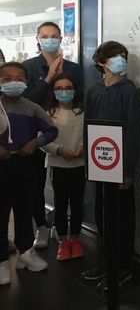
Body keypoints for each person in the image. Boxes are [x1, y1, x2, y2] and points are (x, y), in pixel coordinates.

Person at [81, 41, 140, 291]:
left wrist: (127, 170)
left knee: (122, 217)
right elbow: (88, 128)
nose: (121, 60)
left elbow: (133, 132)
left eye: (124, 56)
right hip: (100, 165)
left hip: (121, 167)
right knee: (102, 214)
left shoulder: (129, 91)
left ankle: (122, 267)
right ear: (101, 62)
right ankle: (105, 262)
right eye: (116, 56)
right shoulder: (95, 91)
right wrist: (90, 166)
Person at [22, 21, 83, 250]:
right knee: (36, 185)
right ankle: (41, 227)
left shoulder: (73, 68)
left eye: (54, 35)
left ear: (61, 38)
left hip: (68, 133)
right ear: (37, 39)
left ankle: (62, 227)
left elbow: (79, 98)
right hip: (35, 136)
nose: (50, 39)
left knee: (67, 188)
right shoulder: (27, 68)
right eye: (45, 36)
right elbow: (26, 102)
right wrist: (48, 78)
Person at [0, 62, 58, 285]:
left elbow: (52, 131)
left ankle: (25, 253)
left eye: (18, 78)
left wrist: (35, 143)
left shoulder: (32, 107)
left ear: (26, 82)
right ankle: (2, 261)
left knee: (25, 209)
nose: (13, 83)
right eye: (7, 79)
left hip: (24, 165)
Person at [40, 73, 85, 261]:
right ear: (53, 91)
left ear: (75, 90)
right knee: (60, 204)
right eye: (59, 88)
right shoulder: (48, 113)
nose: (64, 91)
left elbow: (91, 133)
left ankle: (75, 239)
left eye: (68, 88)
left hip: (79, 164)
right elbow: (42, 139)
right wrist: (59, 150)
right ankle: (63, 241)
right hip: (58, 165)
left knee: (77, 204)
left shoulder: (83, 111)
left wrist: (83, 148)